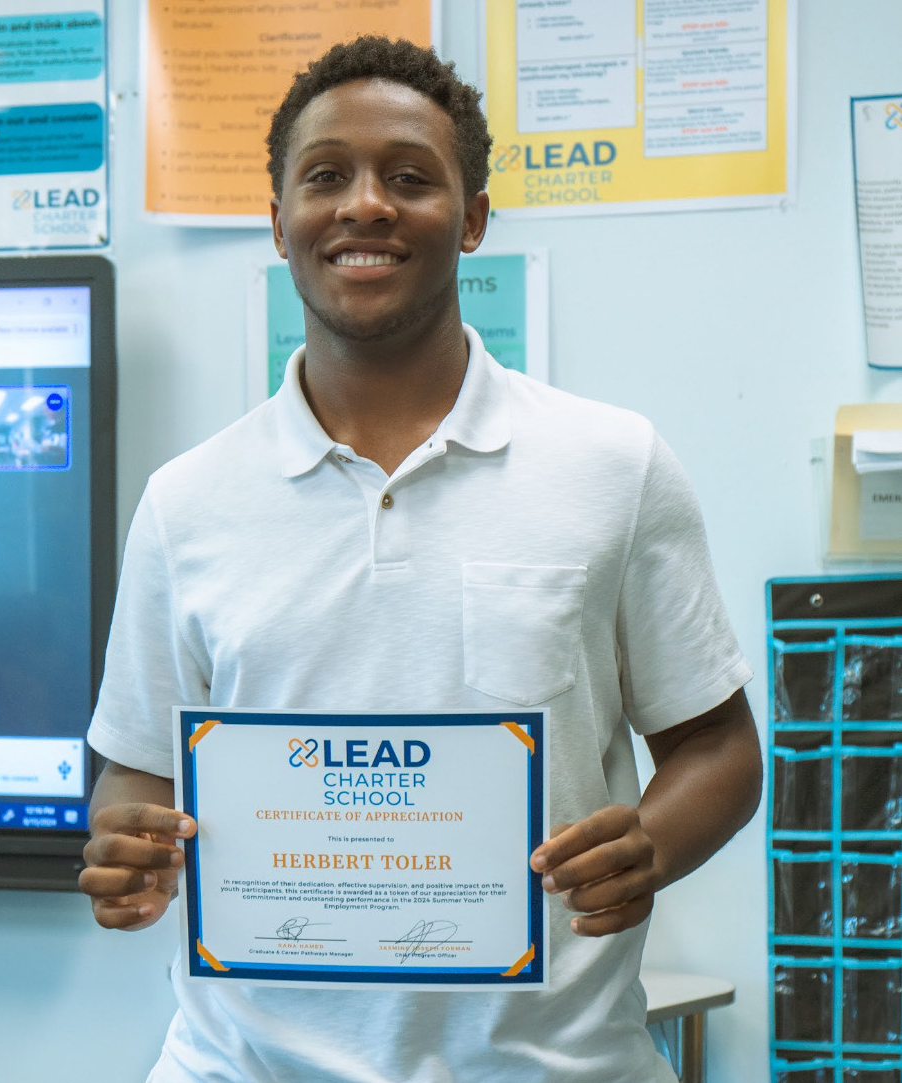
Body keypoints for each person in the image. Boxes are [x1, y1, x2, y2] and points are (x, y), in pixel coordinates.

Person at [80, 35, 762, 1083]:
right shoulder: (187, 503)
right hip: (245, 1066)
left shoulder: (613, 466)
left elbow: (719, 749)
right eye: (324, 178)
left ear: (473, 218)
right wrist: (127, 845)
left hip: (554, 1068)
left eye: (410, 177)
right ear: (278, 224)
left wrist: (652, 848)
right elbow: (140, 763)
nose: (364, 206)